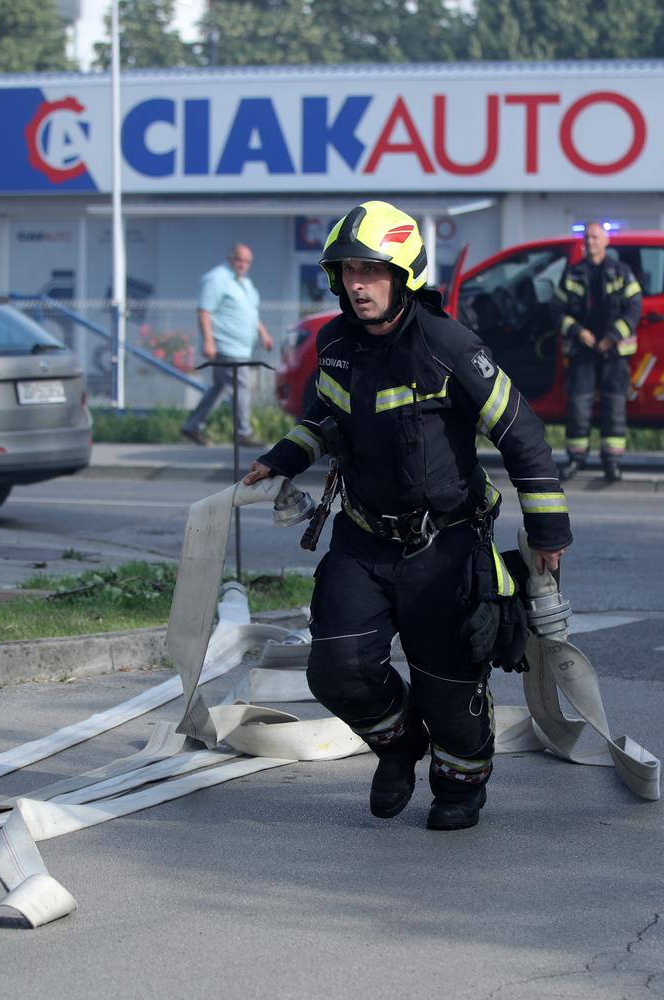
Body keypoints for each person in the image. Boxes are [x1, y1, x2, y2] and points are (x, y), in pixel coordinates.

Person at [243, 201, 572, 832]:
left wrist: (548, 532)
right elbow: (328, 418)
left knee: (450, 688)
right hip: (364, 540)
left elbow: (523, 435)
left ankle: (460, 783)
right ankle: (398, 747)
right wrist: (283, 456)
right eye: (347, 272)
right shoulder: (335, 343)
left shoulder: (451, 346)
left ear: (404, 274)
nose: (358, 284)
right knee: (336, 670)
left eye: (372, 271)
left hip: (444, 548)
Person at [552, 221, 642, 483]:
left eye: (595, 237)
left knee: (614, 406)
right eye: (587, 238)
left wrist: (613, 336)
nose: (590, 242)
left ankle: (611, 463)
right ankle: (576, 459)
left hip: (614, 352)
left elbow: (635, 307)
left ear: (606, 241)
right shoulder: (573, 273)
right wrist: (578, 331)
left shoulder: (621, 272)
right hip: (583, 350)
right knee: (578, 406)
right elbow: (556, 310)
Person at [182, 243, 275, 447]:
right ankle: (243, 432)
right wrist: (208, 341)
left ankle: (192, 425)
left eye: (247, 261)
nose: (243, 264)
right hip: (226, 346)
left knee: (219, 386)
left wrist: (264, 334)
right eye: (239, 260)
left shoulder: (244, 283)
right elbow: (204, 311)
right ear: (230, 258)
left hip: (241, 347)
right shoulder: (217, 279)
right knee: (240, 386)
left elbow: (250, 313)